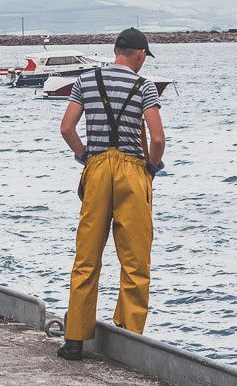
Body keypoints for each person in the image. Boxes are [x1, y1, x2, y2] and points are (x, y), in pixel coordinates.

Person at [56, 27, 166, 361]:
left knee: (87, 257)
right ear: (141, 55)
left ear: (116, 50)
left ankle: (75, 339)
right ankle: (129, 339)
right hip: (132, 171)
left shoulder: (85, 81)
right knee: (135, 261)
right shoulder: (144, 86)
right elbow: (158, 139)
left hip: (98, 168)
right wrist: (151, 166)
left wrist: (83, 156)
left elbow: (66, 128)